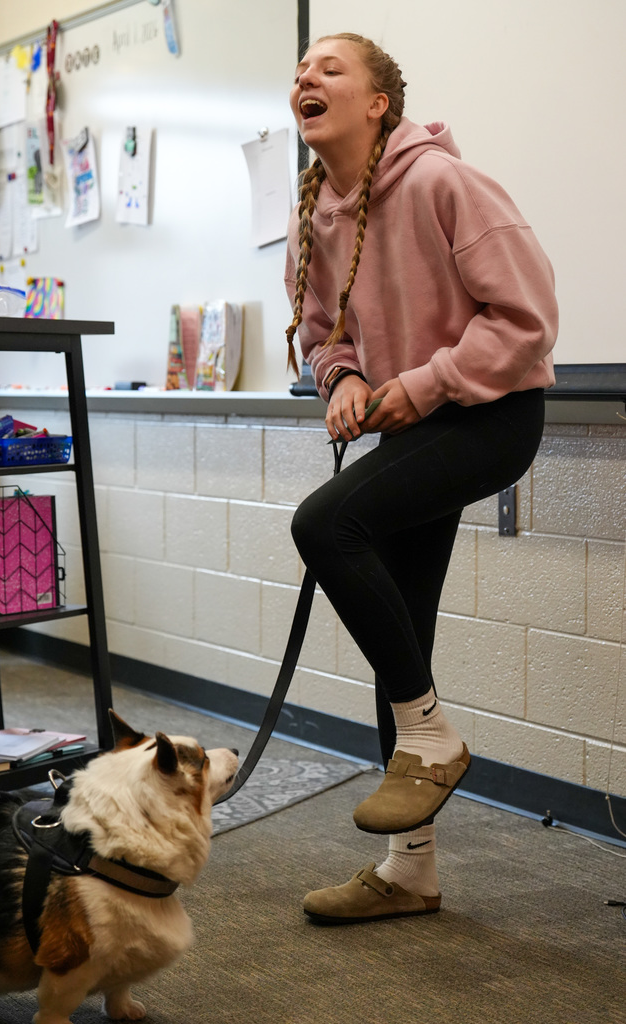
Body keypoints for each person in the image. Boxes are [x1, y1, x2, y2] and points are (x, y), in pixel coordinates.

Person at [284, 32, 558, 923]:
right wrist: (347, 378)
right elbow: (324, 331)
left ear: (377, 104)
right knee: (395, 635)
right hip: (410, 422)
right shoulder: (314, 214)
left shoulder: (442, 181)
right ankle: (410, 871)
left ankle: (433, 737)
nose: (305, 78)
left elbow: (527, 315)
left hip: (487, 416)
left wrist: (426, 380)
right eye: (300, 71)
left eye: (330, 68)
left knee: (325, 525)